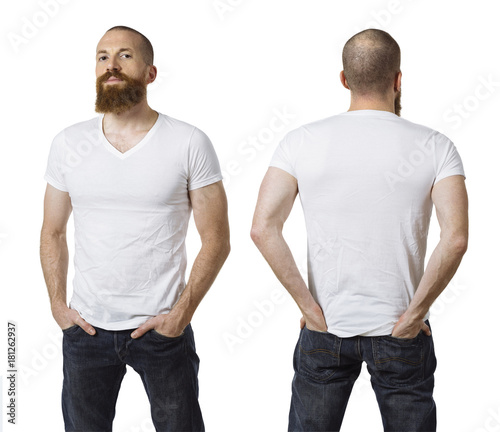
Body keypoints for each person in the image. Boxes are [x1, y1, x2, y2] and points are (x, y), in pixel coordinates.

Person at [250, 28, 468, 432]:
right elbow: (455, 238)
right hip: (401, 329)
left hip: (326, 327)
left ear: (344, 79)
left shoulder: (299, 142)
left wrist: (308, 306)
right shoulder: (436, 145)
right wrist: (415, 314)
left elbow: (263, 228)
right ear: (398, 79)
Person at [40, 25, 230, 432]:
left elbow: (217, 239)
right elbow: (52, 231)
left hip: (162, 332)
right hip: (86, 331)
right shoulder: (68, 144)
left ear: (150, 72)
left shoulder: (189, 142)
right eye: (102, 56)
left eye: (125, 56)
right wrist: (59, 307)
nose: (111, 65)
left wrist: (179, 315)